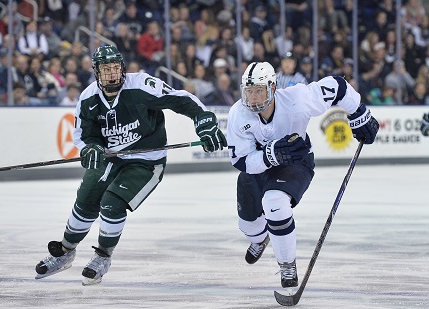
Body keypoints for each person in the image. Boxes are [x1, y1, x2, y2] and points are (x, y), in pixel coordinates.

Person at [35, 45, 227, 285]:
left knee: (111, 204)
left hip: (146, 162)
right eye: (107, 69)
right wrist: (90, 147)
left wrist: (203, 119)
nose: (113, 73)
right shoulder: (88, 98)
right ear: (96, 71)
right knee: (85, 201)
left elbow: (180, 100)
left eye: (116, 67)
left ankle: (103, 256)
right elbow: (84, 134)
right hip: (111, 158)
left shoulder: (140, 86)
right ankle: (65, 251)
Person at [226, 62, 379, 288]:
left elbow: (338, 86)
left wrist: (359, 114)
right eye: (249, 91)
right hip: (257, 169)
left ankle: (287, 265)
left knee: (274, 202)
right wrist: (270, 155)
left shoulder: (298, 98)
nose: (254, 98)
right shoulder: (238, 114)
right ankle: (259, 238)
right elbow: (241, 160)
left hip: (296, 162)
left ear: (273, 87)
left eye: (259, 90)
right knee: (249, 226)